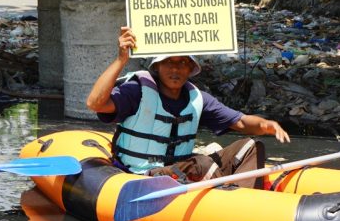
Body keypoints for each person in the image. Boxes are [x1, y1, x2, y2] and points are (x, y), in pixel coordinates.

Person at [86, 26, 289, 187]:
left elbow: (242, 123)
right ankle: (229, 201)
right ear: (157, 66)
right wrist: (122, 59)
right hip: (142, 175)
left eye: (182, 62)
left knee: (250, 147)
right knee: (201, 163)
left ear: (191, 68)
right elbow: (95, 103)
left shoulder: (197, 98)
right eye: (168, 62)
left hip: (180, 173)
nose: (175, 68)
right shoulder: (137, 90)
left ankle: (246, 204)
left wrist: (266, 125)